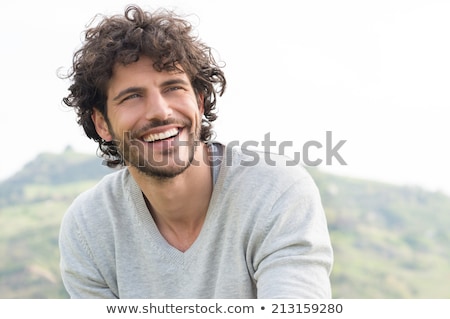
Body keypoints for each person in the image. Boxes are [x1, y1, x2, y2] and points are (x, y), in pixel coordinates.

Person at [59, 4, 333, 299]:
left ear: (199, 103)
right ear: (102, 123)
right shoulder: (88, 228)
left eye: (173, 88)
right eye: (133, 96)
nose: (160, 112)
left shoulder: (276, 192)